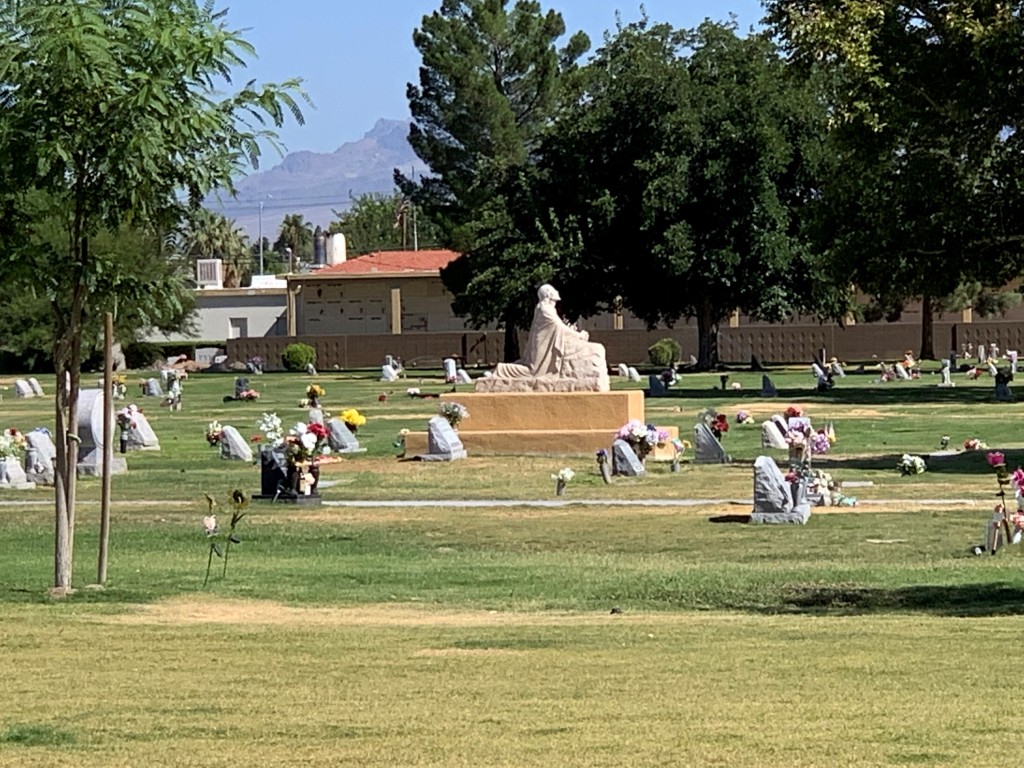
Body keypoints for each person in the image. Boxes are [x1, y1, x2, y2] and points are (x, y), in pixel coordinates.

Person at [492, 285, 602, 380]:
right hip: (542, 345)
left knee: (532, 369)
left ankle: (504, 369)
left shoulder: (547, 308)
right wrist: (579, 336)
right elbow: (559, 327)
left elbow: (558, 326)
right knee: (533, 371)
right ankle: (502, 369)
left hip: (544, 344)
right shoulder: (545, 310)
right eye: (553, 293)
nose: (556, 295)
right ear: (548, 295)